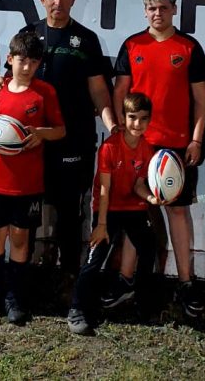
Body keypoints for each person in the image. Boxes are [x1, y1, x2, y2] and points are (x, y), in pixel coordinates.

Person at [113, 0, 205, 317]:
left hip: (176, 146)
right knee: (134, 211)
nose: (158, 13)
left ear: (174, 10)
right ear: (145, 11)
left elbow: (202, 100)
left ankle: (186, 282)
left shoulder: (188, 47)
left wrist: (197, 140)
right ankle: (125, 279)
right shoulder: (132, 45)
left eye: (164, 8)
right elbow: (120, 93)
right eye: (152, 8)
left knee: (178, 213)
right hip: (139, 144)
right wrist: (120, 132)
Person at [19, 0, 117, 284]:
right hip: (32, 138)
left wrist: (111, 123)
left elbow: (99, 90)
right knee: (27, 208)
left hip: (74, 139)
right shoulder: (29, 34)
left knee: (69, 212)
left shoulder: (86, 39)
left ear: (73, 0)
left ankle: (70, 277)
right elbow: (15, 83)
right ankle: (25, 275)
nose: (58, 1)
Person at [0, 31, 65, 325]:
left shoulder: (45, 92)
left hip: (27, 183)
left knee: (21, 239)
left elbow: (60, 130)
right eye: (21, 60)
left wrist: (40, 134)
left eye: (33, 62)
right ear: (10, 60)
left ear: (39, 64)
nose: (27, 67)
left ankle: (16, 300)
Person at [67, 92, 160, 335]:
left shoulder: (148, 149)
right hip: (107, 209)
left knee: (149, 248)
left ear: (149, 121)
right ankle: (77, 309)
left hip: (133, 208)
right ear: (123, 117)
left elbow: (139, 185)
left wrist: (151, 198)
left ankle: (143, 303)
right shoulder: (109, 147)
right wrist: (101, 224)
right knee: (94, 258)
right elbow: (105, 189)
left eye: (143, 119)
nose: (137, 124)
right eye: (132, 118)